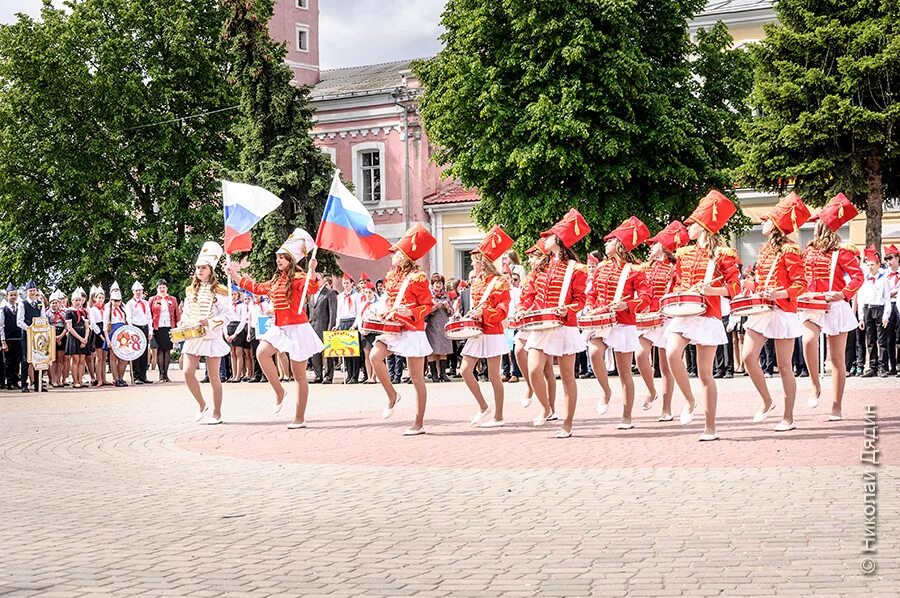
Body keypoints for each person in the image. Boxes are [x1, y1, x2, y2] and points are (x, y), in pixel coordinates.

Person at [666, 190, 741, 441]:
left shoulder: (723, 255)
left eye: (692, 225)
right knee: (671, 353)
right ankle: (688, 400)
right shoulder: (683, 253)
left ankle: (710, 427)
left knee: (705, 374)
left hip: (708, 314)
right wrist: (680, 291)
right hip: (685, 312)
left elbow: (735, 287)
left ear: (702, 227)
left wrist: (713, 290)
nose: (688, 228)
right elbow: (677, 282)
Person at [230, 228, 322, 429]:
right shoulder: (275, 280)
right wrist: (235, 275)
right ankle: (279, 390)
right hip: (280, 327)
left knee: (299, 375)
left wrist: (313, 272)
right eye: (277, 257)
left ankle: (299, 417)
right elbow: (255, 287)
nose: (278, 260)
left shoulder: (299, 278)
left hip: (298, 328)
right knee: (262, 352)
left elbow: (312, 288)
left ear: (291, 260)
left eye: (283, 257)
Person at [741, 192, 810, 431]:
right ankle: (767, 400)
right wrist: (749, 285)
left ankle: (788, 417)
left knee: (783, 366)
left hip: (782, 310)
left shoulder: (790, 250)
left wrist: (780, 294)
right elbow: (763, 282)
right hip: (762, 309)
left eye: (766, 220)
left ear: (776, 225)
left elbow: (801, 284)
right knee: (747, 357)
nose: (762, 222)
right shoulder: (765, 250)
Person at [522, 209, 590, 438]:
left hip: (564, 326)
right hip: (541, 325)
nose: (545, 239)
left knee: (568, 376)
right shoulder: (540, 266)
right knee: (533, 370)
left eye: (549, 235)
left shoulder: (576, 269)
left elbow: (581, 300)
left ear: (558, 240)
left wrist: (567, 308)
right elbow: (529, 294)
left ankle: (568, 423)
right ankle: (546, 407)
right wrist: (524, 308)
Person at [800, 192, 864, 421]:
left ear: (824, 228)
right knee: (808, 340)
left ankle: (836, 406)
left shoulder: (843, 253)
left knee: (837, 359)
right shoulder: (808, 250)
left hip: (835, 306)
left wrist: (843, 294)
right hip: (812, 303)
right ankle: (815, 384)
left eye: (817, 223)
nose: (813, 227)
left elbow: (858, 277)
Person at [369, 223, 436, 435]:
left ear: (405, 256)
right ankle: (392, 395)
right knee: (374, 356)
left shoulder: (418, 278)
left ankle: (419, 422)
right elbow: (389, 300)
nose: (392, 256)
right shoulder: (391, 276)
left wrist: (413, 313)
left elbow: (428, 305)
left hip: (412, 330)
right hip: (393, 327)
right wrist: (382, 311)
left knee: (417, 378)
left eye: (396, 253)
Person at [586, 216, 651, 429]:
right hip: (602, 319)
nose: (605, 243)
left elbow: (645, 297)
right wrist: (589, 305)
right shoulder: (602, 267)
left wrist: (628, 306)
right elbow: (592, 292)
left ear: (619, 245)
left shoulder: (635, 269)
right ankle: (606, 391)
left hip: (623, 321)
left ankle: (627, 416)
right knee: (595, 353)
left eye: (610, 240)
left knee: (624, 371)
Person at [459, 225, 514, 427]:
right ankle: (483, 407)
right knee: (465, 370)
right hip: (476, 331)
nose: (472, 264)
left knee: (493, 375)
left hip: (492, 331)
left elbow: (503, 311)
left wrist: (484, 313)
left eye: (474, 261)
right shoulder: (478, 282)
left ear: (483, 262)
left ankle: (499, 416)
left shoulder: (500, 282)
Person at [636, 220, 688, 421]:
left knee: (666, 366)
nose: (650, 246)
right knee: (640, 355)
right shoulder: (644, 267)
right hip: (648, 317)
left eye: (655, 243)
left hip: (666, 318)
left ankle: (666, 409)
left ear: (664, 248)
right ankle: (651, 390)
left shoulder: (675, 268)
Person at [180, 241, 233, 423]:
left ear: (210, 269)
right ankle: (202, 404)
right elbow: (186, 312)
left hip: (211, 337)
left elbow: (227, 315)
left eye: (203, 267)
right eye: (197, 268)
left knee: (213, 377)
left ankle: (217, 413)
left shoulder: (220, 291)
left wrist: (209, 322)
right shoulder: (190, 290)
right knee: (187, 372)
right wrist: (183, 323)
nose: (199, 271)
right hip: (193, 336)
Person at [857, 246, 890, 377]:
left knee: (881, 340)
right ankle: (872, 366)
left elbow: (887, 299)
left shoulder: (884, 279)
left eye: (872, 264)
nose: (870, 267)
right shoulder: (864, 279)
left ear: (878, 264)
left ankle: (883, 366)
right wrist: (861, 317)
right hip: (868, 309)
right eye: (868, 264)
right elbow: (861, 298)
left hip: (879, 309)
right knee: (870, 340)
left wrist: (886, 315)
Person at [17, 281, 47, 392]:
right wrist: (30, 329)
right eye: (30, 291)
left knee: (38, 358)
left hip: (38, 335)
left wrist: (42, 329)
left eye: (34, 290)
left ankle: (37, 384)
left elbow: (43, 318)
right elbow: (19, 321)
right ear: (26, 292)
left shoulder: (40, 303)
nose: (32, 293)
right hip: (27, 334)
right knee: (26, 359)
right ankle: (24, 384)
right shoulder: (22, 304)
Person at [307, 273, 337, 384]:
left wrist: (330, 328)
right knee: (315, 352)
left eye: (317, 279)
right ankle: (318, 375)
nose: (315, 281)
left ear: (322, 281)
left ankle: (328, 376)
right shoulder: (310, 294)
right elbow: (308, 312)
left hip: (324, 326)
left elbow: (332, 312)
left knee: (327, 353)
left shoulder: (329, 293)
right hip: (312, 327)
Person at [149, 279, 179, 383]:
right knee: (160, 350)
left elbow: (177, 315)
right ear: (157, 289)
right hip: (158, 327)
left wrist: (177, 327)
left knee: (167, 350)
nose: (162, 289)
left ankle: (166, 374)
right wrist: (150, 329)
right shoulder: (152, 299)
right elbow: (149, 315)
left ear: (167, 288)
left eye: (164, 287)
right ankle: (161, 374)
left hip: (169, 327)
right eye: (160, 287)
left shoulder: (173, 299)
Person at [334, 272, 362, 384]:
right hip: (343, 322)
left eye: (347, 283)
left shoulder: (357, 296)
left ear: (352, 284)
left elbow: (359, 312)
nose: (345, 285)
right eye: (344, 283)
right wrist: (337, 324)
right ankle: (349, 374)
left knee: (354, 350)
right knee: (346, 351)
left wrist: (354, 325)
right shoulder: (340, 296)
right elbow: (338, 312)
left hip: (352, 321)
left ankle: (355, 376)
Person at [425, 274, 453, 382]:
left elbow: (452, 312)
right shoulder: (429, 295)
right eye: (436, 283)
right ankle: (434, 374)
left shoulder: (446, 296)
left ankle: (443, 373)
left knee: (443, 349)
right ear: (432, 284)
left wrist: (448, 307)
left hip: (443, 324)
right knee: (432, 349)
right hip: (432, 325)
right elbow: (425, 311)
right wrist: (435, 307)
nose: (438, 285)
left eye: (440, 283)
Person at [125, 281, 153, 384]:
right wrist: (132, 330)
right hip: (135, 327)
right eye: (136, 290)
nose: (138, 292)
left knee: (144, 352)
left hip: (144, 326)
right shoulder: (130, 303)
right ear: (133, 291)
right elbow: (129, 317)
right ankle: (136, 376)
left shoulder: (145, 303)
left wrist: (150, 330)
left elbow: (149, 317)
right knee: (136, 352)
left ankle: (143, 375)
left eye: (140, 290)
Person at [103, 282, 129, 388]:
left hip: (123, 333)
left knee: (123, 357)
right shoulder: (107, 308)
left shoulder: (124, 307)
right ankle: (116, 378)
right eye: (114, 300)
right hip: (112, 332)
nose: (116, 303)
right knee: (113, 357)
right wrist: (108, 340)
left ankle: (121, 377)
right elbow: (105, 325)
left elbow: (127, 320)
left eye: (118, 300)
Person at [65, 288, 92, 388]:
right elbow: (69, 328)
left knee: (82, 360)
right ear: (72, 301)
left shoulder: (84, 312)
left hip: (83, 335)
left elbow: (87, 326)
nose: (78, 302)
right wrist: (80, 339)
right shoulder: (69, 312)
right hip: (74, 336)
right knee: (75, 359)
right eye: (76, 300)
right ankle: (75, 381)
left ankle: (80, 380)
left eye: (79, 300)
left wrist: (85, 338)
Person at [354, 281, 380, 384]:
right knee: (367, 354)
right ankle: (369, 376)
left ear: (373, 292)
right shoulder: (363, 304)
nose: (368, 294)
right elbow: (358, 316)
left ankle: (374, 376)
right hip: (363, 332)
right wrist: (354, 326)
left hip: (374, 331)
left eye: (369, 292)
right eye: (366, 292)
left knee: (374, 355)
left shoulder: (378, 303)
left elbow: (378, 315)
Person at [882, 244, 900, 375]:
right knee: (889, 337)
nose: (889, 262)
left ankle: (899, 365)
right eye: (887, 259)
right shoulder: (884, 275)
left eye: (891, 258)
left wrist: (892, 292)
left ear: (898, 258)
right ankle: (891, 365)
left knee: (899, 336)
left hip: (899, 305)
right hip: (888, 306)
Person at [2, 284, 23, 390]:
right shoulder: (3, 309)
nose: (13, 297)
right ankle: (9, 381)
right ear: (7, 296)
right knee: (9, 361)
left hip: (19, 338)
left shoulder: (20, 307)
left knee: (17, 361)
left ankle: (15, 381)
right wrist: (3, 341)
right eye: (11, 295)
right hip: (9, 338)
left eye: (15, 295)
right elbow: (1, 326)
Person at [88, 286, 109, 387]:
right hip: (97, 333)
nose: (101, 299)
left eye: (102, 297)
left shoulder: (106, 309)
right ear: (95, 298)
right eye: (99, 297)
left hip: (105, 331)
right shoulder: (93, 309)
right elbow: (92, 324)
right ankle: (99, 379)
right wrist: (101, 335)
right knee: (99, 357)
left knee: (104, 358)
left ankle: (104, 378)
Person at [48, 290, 69, 387]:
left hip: (62, 335)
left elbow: (66, 326)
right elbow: (47, 326)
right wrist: (54, 336)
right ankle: (53, 379)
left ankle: (60, 379)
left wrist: (61, 336)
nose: (54, 304)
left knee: (61, 359)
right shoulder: (47, 314)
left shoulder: (63, 313)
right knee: (53, 359)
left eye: (56, 302)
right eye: (52, 303)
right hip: (52, 335)